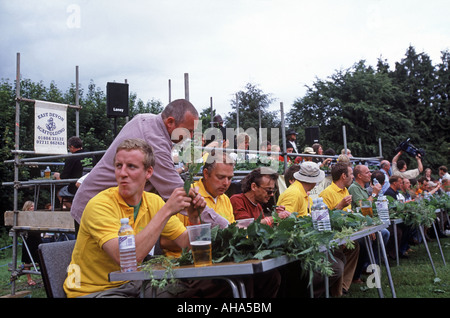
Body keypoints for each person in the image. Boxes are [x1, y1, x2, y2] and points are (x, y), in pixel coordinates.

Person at [63, 138, 215, 298]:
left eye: (131, 167)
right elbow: (125, 259)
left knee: (204, 288)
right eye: (118, 166)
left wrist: (194, 218)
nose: (122, 173)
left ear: (148, 172)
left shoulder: (153, 201)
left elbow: (185, 242)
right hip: (94, 291)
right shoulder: (99, 205)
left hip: (135, 283)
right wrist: (167, 210)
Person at [71, 99, 228, 233]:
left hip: (114, 211)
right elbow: (180, 194)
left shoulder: (145, 119)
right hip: (96, 211)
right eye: (188, 131)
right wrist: (226, 227)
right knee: (117, 263)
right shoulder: (155, 144)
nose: (191, 137)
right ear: (170, 122)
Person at [319, 162, 360, 295]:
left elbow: (349, 214)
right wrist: (340, 206)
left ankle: (343, 286)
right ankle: (336, 289)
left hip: (346, 232)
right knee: (346, 249)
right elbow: (323, 219)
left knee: (355, 246)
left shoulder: (345, 190)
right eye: (351, 174)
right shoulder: (326, 194)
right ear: (343, 176)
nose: (353, 177)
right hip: (332, 235)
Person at [348, 165, 389, 284]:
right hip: (359, 226)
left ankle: (369, 266)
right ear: (359, 176)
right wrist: (374, 194)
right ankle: (360, 271)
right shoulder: (354, 188)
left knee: (385, 233)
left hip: (367, 223)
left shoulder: (364, 188)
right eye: (367, 172)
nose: (370, 174)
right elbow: (363, 208)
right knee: (376, 237)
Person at [54, 136, 87, 209]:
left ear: (72, 147)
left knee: (59, 193)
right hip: (90, 186)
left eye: (69, 148)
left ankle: (75, 210)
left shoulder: (72, 158)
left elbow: (63, 179)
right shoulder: (92, 155)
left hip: (75, 188)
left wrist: (57, 176)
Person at [20, 201, 42, 286]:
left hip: (37, 238)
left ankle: (44, 276)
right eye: (31, 206)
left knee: (40, 257)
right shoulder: (24, 216)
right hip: (28, 239)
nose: (33, 208)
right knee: (27, 259)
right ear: (27, 207)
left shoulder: (36, 215)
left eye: (33, 206)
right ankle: (29, 279)